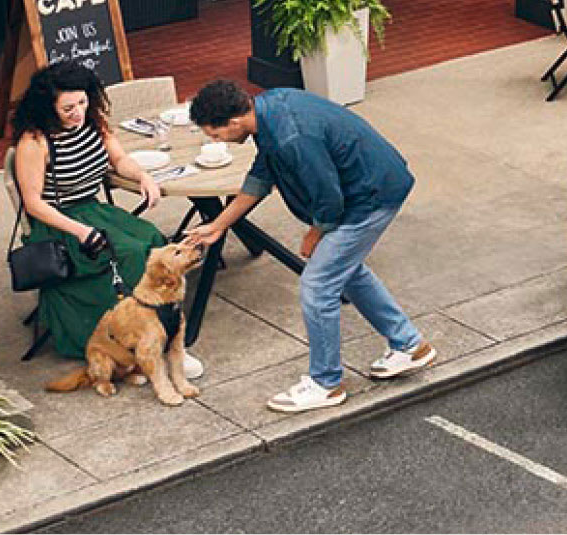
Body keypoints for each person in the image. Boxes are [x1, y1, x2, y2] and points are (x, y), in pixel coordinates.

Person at [183, 81, 435, 413]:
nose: (217, 142)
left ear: (234, 122)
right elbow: (262, 175)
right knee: (343, 270)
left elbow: (329, 198)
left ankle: (326, 384)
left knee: (317, 284)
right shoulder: (268, 109)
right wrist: (218, 226)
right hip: (374, 182)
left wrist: (315, 234)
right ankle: (409, 345)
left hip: (370, 197)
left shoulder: (291, 137)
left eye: (216, 135)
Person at [11, 61, 204, 380]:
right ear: (48, 106)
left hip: (93, 209)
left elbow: (119, 159)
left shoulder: (93, 123)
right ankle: (137, 344)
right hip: (60, 221)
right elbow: (33, 203)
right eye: (68, 108)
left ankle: (161, 330)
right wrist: (80, 231)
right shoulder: (35, 142)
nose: (78, 112)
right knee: (129, 253)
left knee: (152, 240)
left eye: (83, 102)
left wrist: (142, 176)